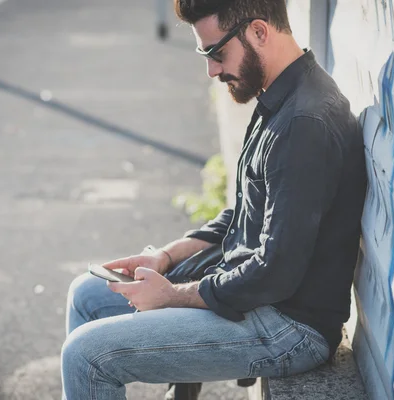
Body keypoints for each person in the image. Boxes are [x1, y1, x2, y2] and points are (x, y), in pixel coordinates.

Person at [61, 0, 367, 399]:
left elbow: (276, 271)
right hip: (257, 297)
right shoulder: (282, 95)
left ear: (259, 31)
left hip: (288, 328)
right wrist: (166, 258)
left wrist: (172, 296)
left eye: (217, 53)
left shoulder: (302, 125)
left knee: (85, 355)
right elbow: (243, 214)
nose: (212, 70)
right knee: (86, 295)